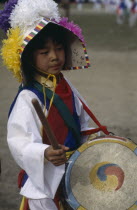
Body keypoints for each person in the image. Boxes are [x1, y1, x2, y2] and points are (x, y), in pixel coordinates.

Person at [0, 0, 108, 209]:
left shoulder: (65, 87)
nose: (54, 56)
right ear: (28, 58)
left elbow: (83, 122)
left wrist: (96, 140)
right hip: (45, 185)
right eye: (44, 52)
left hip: (75, 174)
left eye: (59, 48)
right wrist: (43, 152)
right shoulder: (28, 98)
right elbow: (19, 141)